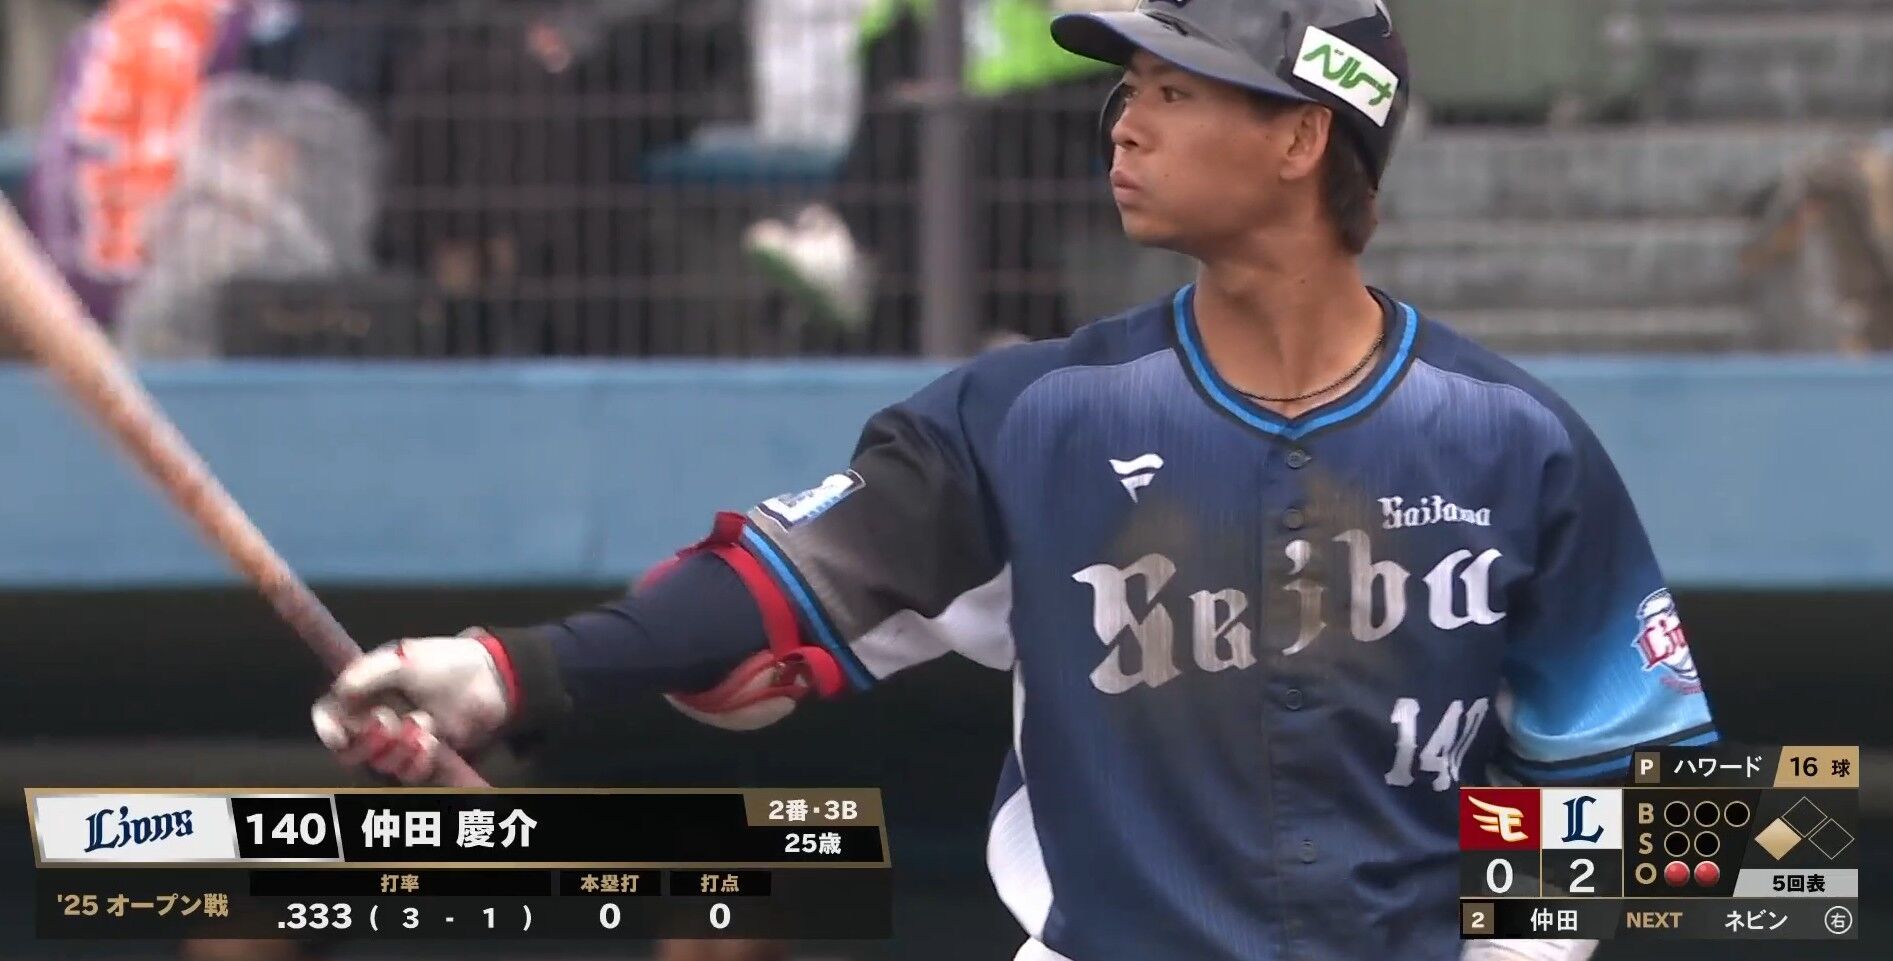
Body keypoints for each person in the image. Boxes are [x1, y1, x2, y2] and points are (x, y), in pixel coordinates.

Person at [310, 2, 1720, 959]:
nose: (1124, 123)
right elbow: (771, 591)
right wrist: (509, 673)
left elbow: (1632, 778)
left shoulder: (1511, 439)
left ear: (1302, 139)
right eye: (1128, 90)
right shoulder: (1034, 412)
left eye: (1174, 92)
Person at [742, 0, 1119, 344]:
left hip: (1067, 81)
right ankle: (1003, 331)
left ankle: (1004, 328)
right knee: (922, 128)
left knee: (976, 150)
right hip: (961, 78)